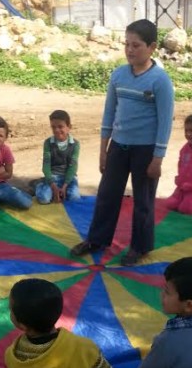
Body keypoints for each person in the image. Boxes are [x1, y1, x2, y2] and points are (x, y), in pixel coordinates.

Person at [70, 19, 174, 267]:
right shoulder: (118, 75)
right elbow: (109, 114)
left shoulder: (160, 81)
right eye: (127, 44)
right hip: (118, 146)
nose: (129, 50)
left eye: (136, 45)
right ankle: (97, 240)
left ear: (152, 47)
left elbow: (165, 123)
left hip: (145, 152)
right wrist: (103, 149)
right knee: (107, 195)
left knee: (143, 201)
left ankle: (139, 246)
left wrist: (158, 158)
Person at [0, 116, 32, 218]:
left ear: (5, 137)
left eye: (0, 135)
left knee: (27, 203)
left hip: (2, 186)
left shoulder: (5, 150)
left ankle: (33, 186)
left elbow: (9, 174)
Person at [35, 110, 81, 204]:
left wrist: (64, 186)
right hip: (53, 177)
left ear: (69, 127)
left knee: (74, 198)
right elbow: (46, 167)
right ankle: (38, 185)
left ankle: (59, 189)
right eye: (53, 127)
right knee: (44, 199)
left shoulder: (75, 144)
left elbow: (73, 167)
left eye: (60, 126)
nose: (56, 130)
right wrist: (53, 187)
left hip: (69, 178)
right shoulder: (48, 143)